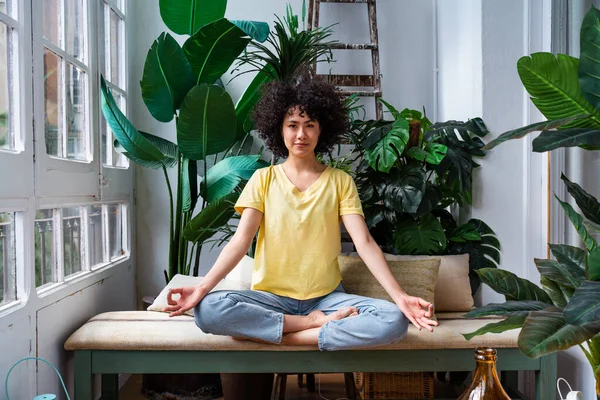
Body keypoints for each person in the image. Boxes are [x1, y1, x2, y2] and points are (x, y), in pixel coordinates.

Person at [163, 75, 437, 351]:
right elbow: (240, 241)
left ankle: (277, 333)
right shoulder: (263, 178)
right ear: (279, 130)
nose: (301, 135)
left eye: (310, 125)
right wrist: (202, 289)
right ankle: (309, 324)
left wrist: (400, 297)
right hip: (271, 299)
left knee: (393, 320)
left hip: (327, 299)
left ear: (322, 130)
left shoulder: (340, 181)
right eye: (292, 125)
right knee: (208, 309)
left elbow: (364, 243)